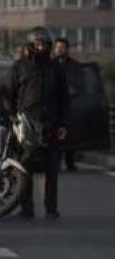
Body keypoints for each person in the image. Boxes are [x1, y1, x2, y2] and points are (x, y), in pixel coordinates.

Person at [4, 27, 70, 218]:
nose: (40, 48)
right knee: (25, 167)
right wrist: (11, 117)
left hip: (51, 124)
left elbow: (64, 98)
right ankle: (26, 207)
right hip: (26, 125)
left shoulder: (56, 69)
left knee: (52, 169)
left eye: (44, 44)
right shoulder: (19, 67)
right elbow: (8, 93)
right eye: (37, 44)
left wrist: (63, 124)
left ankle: (51, 208)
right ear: (30, 46)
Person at [52, 38, 79, 172]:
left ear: (67, 49)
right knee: (55, 134)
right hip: (55, 105)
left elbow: (78, 83)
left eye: (62, 47)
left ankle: (70, 161)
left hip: (71, 104)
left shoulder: (74, 65)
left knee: (70, 134)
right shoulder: (50, 65)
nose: (60, 50)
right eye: (57, 47)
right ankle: (55, 162)